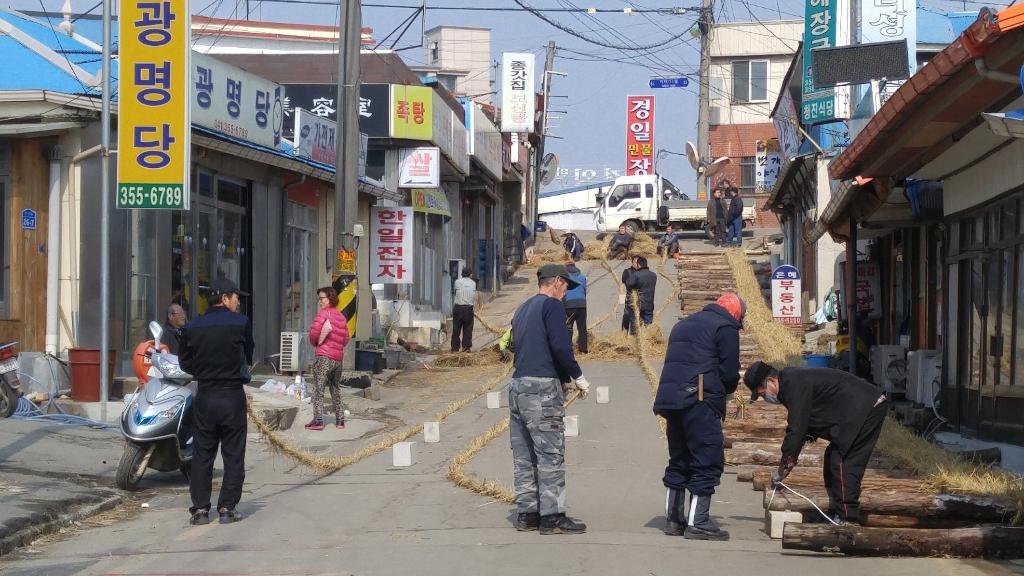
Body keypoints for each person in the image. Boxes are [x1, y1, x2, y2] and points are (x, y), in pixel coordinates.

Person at [743, 362, 888, 525]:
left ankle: (847, 519)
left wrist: (785, 465)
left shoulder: (793, 384)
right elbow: (806, 423)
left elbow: (796, 428)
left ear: (771, 381)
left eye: (763, 394)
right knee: (831, 456)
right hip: (855, 409)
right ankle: (834, 511)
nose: (766, 398)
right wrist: (790, 458)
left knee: (842, 461)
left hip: (867, 406)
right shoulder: (790, 383)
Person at [653, 292, 745, 541]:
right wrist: (726, 393)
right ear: (736, 314)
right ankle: (699, 522)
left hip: (672, 399)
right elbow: (728, 372)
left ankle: (674, 520)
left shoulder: (683, 324)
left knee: (679, 458)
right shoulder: (725, 326)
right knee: (707, 458)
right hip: (700, 399)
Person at [508, 264, 591, 535]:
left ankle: (527, 513)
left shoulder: (522, 308)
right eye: (566, 285)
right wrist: (576, 375)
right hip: (542, 389)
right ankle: (552, 516)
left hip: (518, 385)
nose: (566, 292)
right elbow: (560, 345)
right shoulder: (552, 306)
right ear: (556, 282)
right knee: (550, 454)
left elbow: (513, 344)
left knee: (524, 456)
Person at [179, 278, 254, 526]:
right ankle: (226, 508)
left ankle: (200, 509)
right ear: (224, 298)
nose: (238, 303)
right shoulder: (241, 323)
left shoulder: (193, 326)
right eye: (236, 298)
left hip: (206, 394)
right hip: (232, 395)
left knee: (202, 454)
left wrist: (204, 369)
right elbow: (249, 354)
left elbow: (184, 363)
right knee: (233, 454)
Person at [306, 287, 351, 430]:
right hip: (338, 359)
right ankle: (340, 420)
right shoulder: (342, 317)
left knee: (319, 389)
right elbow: (345, 339)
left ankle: (318, 421)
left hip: (324, 357)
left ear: (330, 298)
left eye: (322, 298)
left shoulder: (323, 315)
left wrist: (316, 343)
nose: (319, 301)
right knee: (335, 388)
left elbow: (313, 335)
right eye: (319, 298)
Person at [623, 256, 657, 333]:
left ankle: (635, 342)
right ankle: (648, 340)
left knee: (635, 327)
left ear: (638, 265)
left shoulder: (637, 275)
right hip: (649, 304)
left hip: (638, 304)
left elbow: (628, 284)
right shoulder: (653, 275)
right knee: (648, 326)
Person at [563, 262, 588, 354]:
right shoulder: (582, 276)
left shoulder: (565, 277)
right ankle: (583, 349)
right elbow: (584, 290)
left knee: (568, 327)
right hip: (581, 304)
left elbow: (563, 292)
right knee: (582, 327)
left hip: (569, 305)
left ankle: (569, 349)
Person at [451, 268, 478, 352]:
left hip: (458, 308)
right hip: (468, 309)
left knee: (456, 329)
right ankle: (466, 348)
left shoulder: (457, 282)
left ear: (462, 274)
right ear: (470, 275)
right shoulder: (473, 283)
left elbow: (455, 292)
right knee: (468, 329)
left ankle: (455, 348)